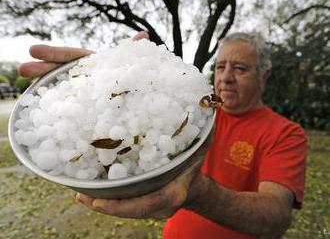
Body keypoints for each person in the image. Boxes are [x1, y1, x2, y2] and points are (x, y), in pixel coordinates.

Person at [19, 31, 307, 238]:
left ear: (264, 76)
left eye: (240, 68)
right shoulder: (196, 108)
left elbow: (276, 219)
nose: (226, 77)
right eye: (220, 67)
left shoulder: (285, 133)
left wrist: (199, 194)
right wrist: (101, 77)